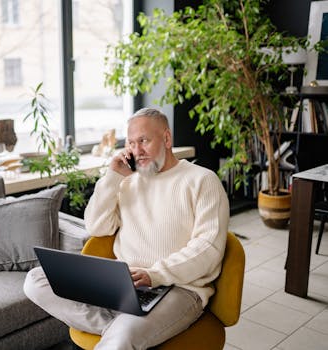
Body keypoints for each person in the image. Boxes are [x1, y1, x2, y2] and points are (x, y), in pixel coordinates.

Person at [24, 108, 229, 349]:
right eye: (131, 142)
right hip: (124, 284)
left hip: (180, 289)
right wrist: (113, 177)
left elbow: (208, 248)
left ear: (166, 138)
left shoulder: (202, 180)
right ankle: (121, 327)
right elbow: (96, 226)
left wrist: (155, 274)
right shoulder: (127, 181)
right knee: (36, 280)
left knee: (121, 340)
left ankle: (122, 332)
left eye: (144, 140)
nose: (137, 150)